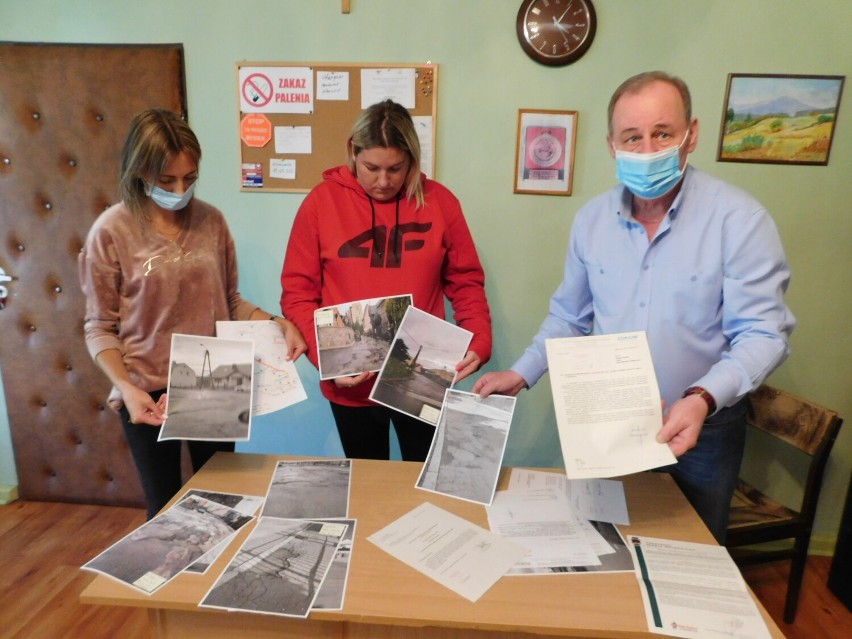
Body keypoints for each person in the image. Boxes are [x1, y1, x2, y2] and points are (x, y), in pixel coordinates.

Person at [473, 71, 795, 543]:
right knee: (601, 543)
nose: (648, 150)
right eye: (633, 137)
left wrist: (702, 396)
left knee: (693, 552)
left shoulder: (739, 220)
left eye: (662, 133)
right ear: (612, 145)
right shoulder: (591, 222)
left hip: (702, 427)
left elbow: (765, 334)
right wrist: (521, 372)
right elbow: (569, 316)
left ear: (692, 135)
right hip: (609, 420)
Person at [79, 108, 307, 519]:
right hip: (146, 391)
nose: (179, 189)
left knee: (222, 505)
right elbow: (99, 327)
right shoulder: (111, 231)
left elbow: (230, 301)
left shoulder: (211, 222)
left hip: (216, 380)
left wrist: (277, 323)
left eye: (189, 178)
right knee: (164, 513)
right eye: (166, 180)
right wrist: (125, 387)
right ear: (138, 170)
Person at [281, 99, 492, 462]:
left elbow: (466, 281)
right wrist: (320, 356)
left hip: (420, 374)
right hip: (351, 379)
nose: (383, 181)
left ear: (412, 158)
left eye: (396, 168)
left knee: (423, 480)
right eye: (371, 167)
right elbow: (298, 293)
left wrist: (480, 338)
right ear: (353, 151)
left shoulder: (441, 203)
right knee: (366, 485)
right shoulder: (321, 203)